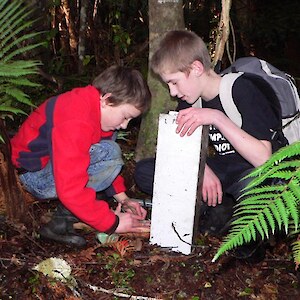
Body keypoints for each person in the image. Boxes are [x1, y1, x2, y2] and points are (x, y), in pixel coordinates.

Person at [134, 30, 287, 261]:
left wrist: (216, 117)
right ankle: (222, 205)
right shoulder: (189, 101)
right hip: (224, 169)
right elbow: (182, 152)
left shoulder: (242, 90)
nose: (173, 92)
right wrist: (202, 170)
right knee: (145, 172)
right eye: (168, 85)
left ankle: (239, 221)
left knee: (259, 189)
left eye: (174, 82)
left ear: (196, 68)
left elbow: (264, 159)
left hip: (260, 172)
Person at [11, 65, 151, 247]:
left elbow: (103, 161)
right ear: (107, 100)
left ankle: (60, 222)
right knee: (109, 151)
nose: (125, 125)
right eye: (125, 117)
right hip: (30, 177)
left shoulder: (94, 110)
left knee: (108, 148)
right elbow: (70, 186)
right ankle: (67, 217)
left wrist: (124, 200)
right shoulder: (76, 118)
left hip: (48, 169)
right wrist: (113, 223)